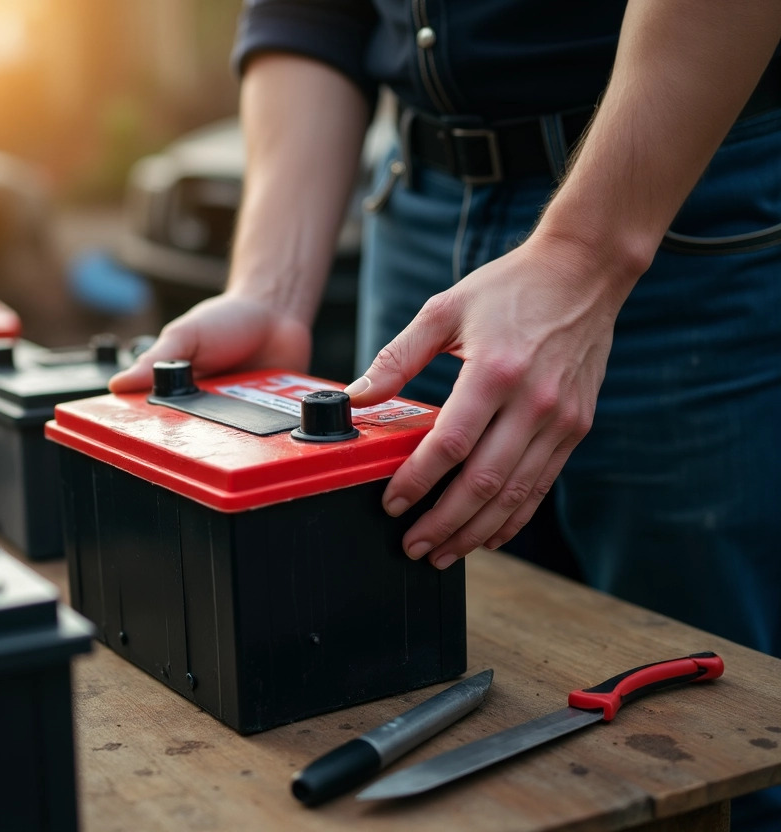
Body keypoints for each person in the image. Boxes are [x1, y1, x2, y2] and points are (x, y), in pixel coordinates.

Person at [109, 1, 781, 826]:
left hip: (685, 193)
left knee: (715, 739)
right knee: (417, 639)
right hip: (419, 203)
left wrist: (586, 254)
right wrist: (271, 289)